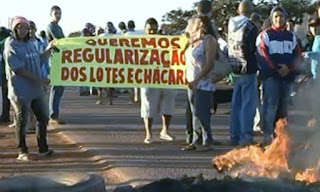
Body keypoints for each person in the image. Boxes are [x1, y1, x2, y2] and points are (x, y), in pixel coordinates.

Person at [4, 16, 55, 161]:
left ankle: (43, 148)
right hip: (21, 91)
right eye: (20, 28)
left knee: (43, 117)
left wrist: (48, 50)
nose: (23, 31)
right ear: (14, 29)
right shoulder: (11, 46)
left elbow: (38, 60)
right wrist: (40, 79)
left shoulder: (30, 43)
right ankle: (22, 151)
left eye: (26, 28)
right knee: (22, 120)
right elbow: (19, 70)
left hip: (36, 89)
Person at [256, 6, 301, 146]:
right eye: (276, 17)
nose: (278, 19)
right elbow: (263, 54)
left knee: (283, 109)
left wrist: (289, 68)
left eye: (281, 16)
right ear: (271, 19)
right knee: (270, 106)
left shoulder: (291, 36)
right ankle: (267, 136)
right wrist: (277, 68)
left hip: (287, 78)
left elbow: (298, 54)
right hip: (271, 78)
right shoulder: (265, 35)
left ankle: (281, 138)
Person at [181, 16, 218, 151]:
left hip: (203, 81)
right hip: (191, 81)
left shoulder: (209, 40)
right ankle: (195, 140)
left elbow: (209, 63)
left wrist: (197, 79)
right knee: (193, 112)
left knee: (202, 112)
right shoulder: (194, 41)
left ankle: (207, 140)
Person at [228, 1, 259, 146]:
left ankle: (234, 134)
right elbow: (253, 48)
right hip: (248, 68)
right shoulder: (250, 26)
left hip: (235, 67)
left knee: (236, 104)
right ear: (251, 10)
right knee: (248, 104)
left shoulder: (231, 24)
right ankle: (245, 135)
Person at [140, 18, 176, 144]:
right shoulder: (139, 43)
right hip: (148, 78)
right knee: (148, 106)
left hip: (166, 77)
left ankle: (165, 131)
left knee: (168, 103)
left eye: (155, 30)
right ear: (145, 30)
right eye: (150, 30)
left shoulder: (165, 42)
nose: (152, 33)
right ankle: (148, 134)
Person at [47, 5, 65, 125]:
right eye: (56, 13)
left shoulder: (58, 27)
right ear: (51, 15)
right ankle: (53, 115)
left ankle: (55, 113)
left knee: (60, 88)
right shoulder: (51, 27)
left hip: (60, 60)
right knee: (56, 88)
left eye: (59, 13)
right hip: (55, 60)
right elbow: (60, 41)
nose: (58, 16)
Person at [0, 27, 11, 123]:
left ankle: (5, 115)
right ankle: (5, 115)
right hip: (8, 72)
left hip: (4, 73)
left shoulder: (3, 42)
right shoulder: (9, 41)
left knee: (5, 95)